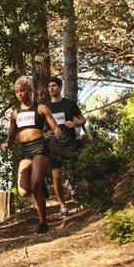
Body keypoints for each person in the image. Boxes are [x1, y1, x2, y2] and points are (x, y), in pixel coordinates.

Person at [0, 76, 61, 234]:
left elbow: (55, 127)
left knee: (34, 187)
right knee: (24, 191)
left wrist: (56, 137)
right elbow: (12, 135)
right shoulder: (14, 113)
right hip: (25, 150)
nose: (19, 94)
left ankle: (43, 223)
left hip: (40, 147)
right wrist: (6, 143)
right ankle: (40, 183)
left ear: (30, 90)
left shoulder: (40, 108)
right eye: (16, 92)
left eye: (22, 90)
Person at [44, 77, 86, 217]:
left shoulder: (69, 104)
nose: (51, 88)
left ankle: (72, 187)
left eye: (54, 85)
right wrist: (46, 135)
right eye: (49, 86)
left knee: (72, 171)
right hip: (53, 146)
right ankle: (63, 206)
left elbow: (82, 119)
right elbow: (42, 126)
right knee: (56, 176)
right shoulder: (45, 107)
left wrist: (75, 124)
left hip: (69, 143)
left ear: (60, 87)